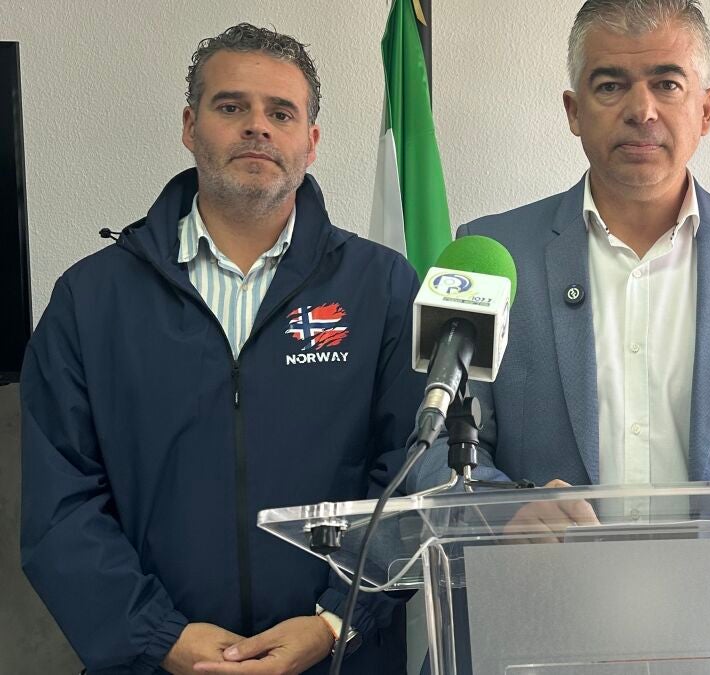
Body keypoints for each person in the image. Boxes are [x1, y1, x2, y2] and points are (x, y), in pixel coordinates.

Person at [21, 23, 423, 674]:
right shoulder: (91, 299)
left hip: (338, 657)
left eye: (281, 113)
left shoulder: (382, 288)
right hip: (154, 661)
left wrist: (333, 621)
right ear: (190, 126)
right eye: (231, 106)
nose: (257, 126)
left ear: (311, 141)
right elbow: (59, 504)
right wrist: (160, 637)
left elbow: (411, 477)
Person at [407, 0, 710, 525]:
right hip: (548, 574)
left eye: (667, 84)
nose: (642, 110)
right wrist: (504, 515)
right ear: (574, 111)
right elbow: (433, 455)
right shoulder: (492, 256)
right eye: (610, 86)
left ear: (706, 110)